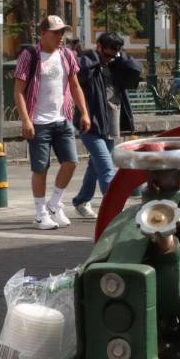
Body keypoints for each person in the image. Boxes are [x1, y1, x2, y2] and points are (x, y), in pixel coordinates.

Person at [14, 15, 91, 230]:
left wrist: (84, 112)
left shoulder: (67, 54)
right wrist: (26, 120)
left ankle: (55, 204)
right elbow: (18, 91)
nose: (61, 36)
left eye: (62, 32)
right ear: (43, 33)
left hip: (62, 118)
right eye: (56, 32)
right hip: (38, 122)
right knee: (41, 168)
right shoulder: (30, 56)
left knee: (71, 162)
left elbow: (75, 86)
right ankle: (40, 214)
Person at [71, 33, 142, 218]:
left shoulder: (116, 65)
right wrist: (97, 57)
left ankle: (81, 200)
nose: (109, 58)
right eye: (106, 54)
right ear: (99, 47)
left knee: (95, 166)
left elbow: (136, 70)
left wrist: (120, 56)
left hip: (111, 124)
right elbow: (79, 71)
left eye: (113, 54)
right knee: (106, 167)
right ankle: (114, 211)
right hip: (90, 124)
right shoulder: (88, 62)